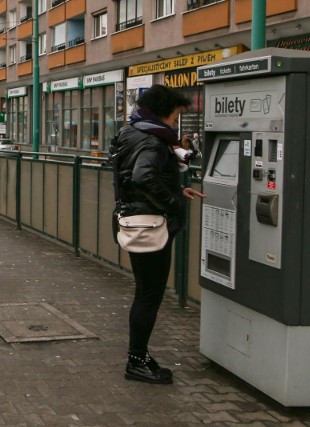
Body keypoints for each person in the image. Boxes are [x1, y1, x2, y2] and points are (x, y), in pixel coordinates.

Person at [111, 84, 205, 384]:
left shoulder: (133, 132)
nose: (176, 123)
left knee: (144, 293)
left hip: (135, 219)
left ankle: (139, 356)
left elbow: (133, 176)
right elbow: (142, 176)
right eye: (175, 116)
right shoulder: (153, 141)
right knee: (149, 296)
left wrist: (176, 188)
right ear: (164, 113)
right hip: (151, 224)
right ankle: (136, 361)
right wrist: (173, 201)